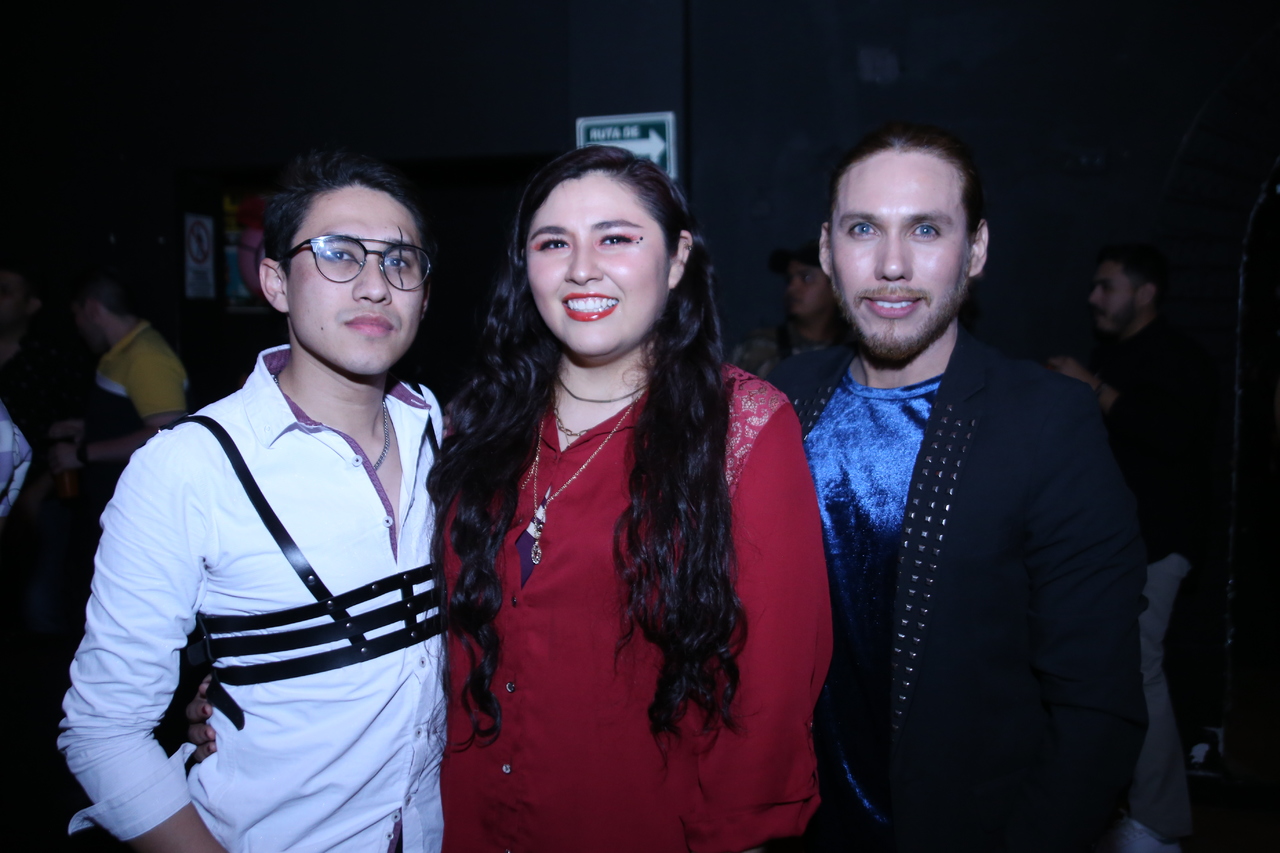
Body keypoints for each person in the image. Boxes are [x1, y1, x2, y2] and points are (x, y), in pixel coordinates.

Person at [429, 145, 832, 852]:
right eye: (554, 243)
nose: (582, 268)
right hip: (471, 826)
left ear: (676, 260)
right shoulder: (474, 423)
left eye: (615, 238)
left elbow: (768, 693)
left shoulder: (742, 427)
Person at [769, 121, 1147, 853]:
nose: (891, 264)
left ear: (975, 250)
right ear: (827, 248)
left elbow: (1096, 708)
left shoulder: (1045, 420)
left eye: (926, 230)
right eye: (862, 229)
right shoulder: (784, 396)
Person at [59, 151, 447, 852]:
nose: (374, 285)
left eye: (400, 261)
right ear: (274, 282)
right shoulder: (188, 467)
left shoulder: (435, 429)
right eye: (337, 254)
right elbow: (104, 729)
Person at [1049, 245, 1215, 853]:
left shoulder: (1179, 357)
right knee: (1109, 671)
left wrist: (1091, 387)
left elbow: (1171, 435)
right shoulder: (1115, 353)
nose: (1094, 298)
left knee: (1140, 669)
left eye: (1107, 286)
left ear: (1145, 293)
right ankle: (1129, 808)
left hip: (1160, 543)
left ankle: (1160, 822)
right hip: (1116, 546)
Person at [731, 240, 850, 378]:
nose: (792, 288)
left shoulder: (856, 351)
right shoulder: (758, 347)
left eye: (806, 278)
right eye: (789, 279)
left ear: (836, 286)